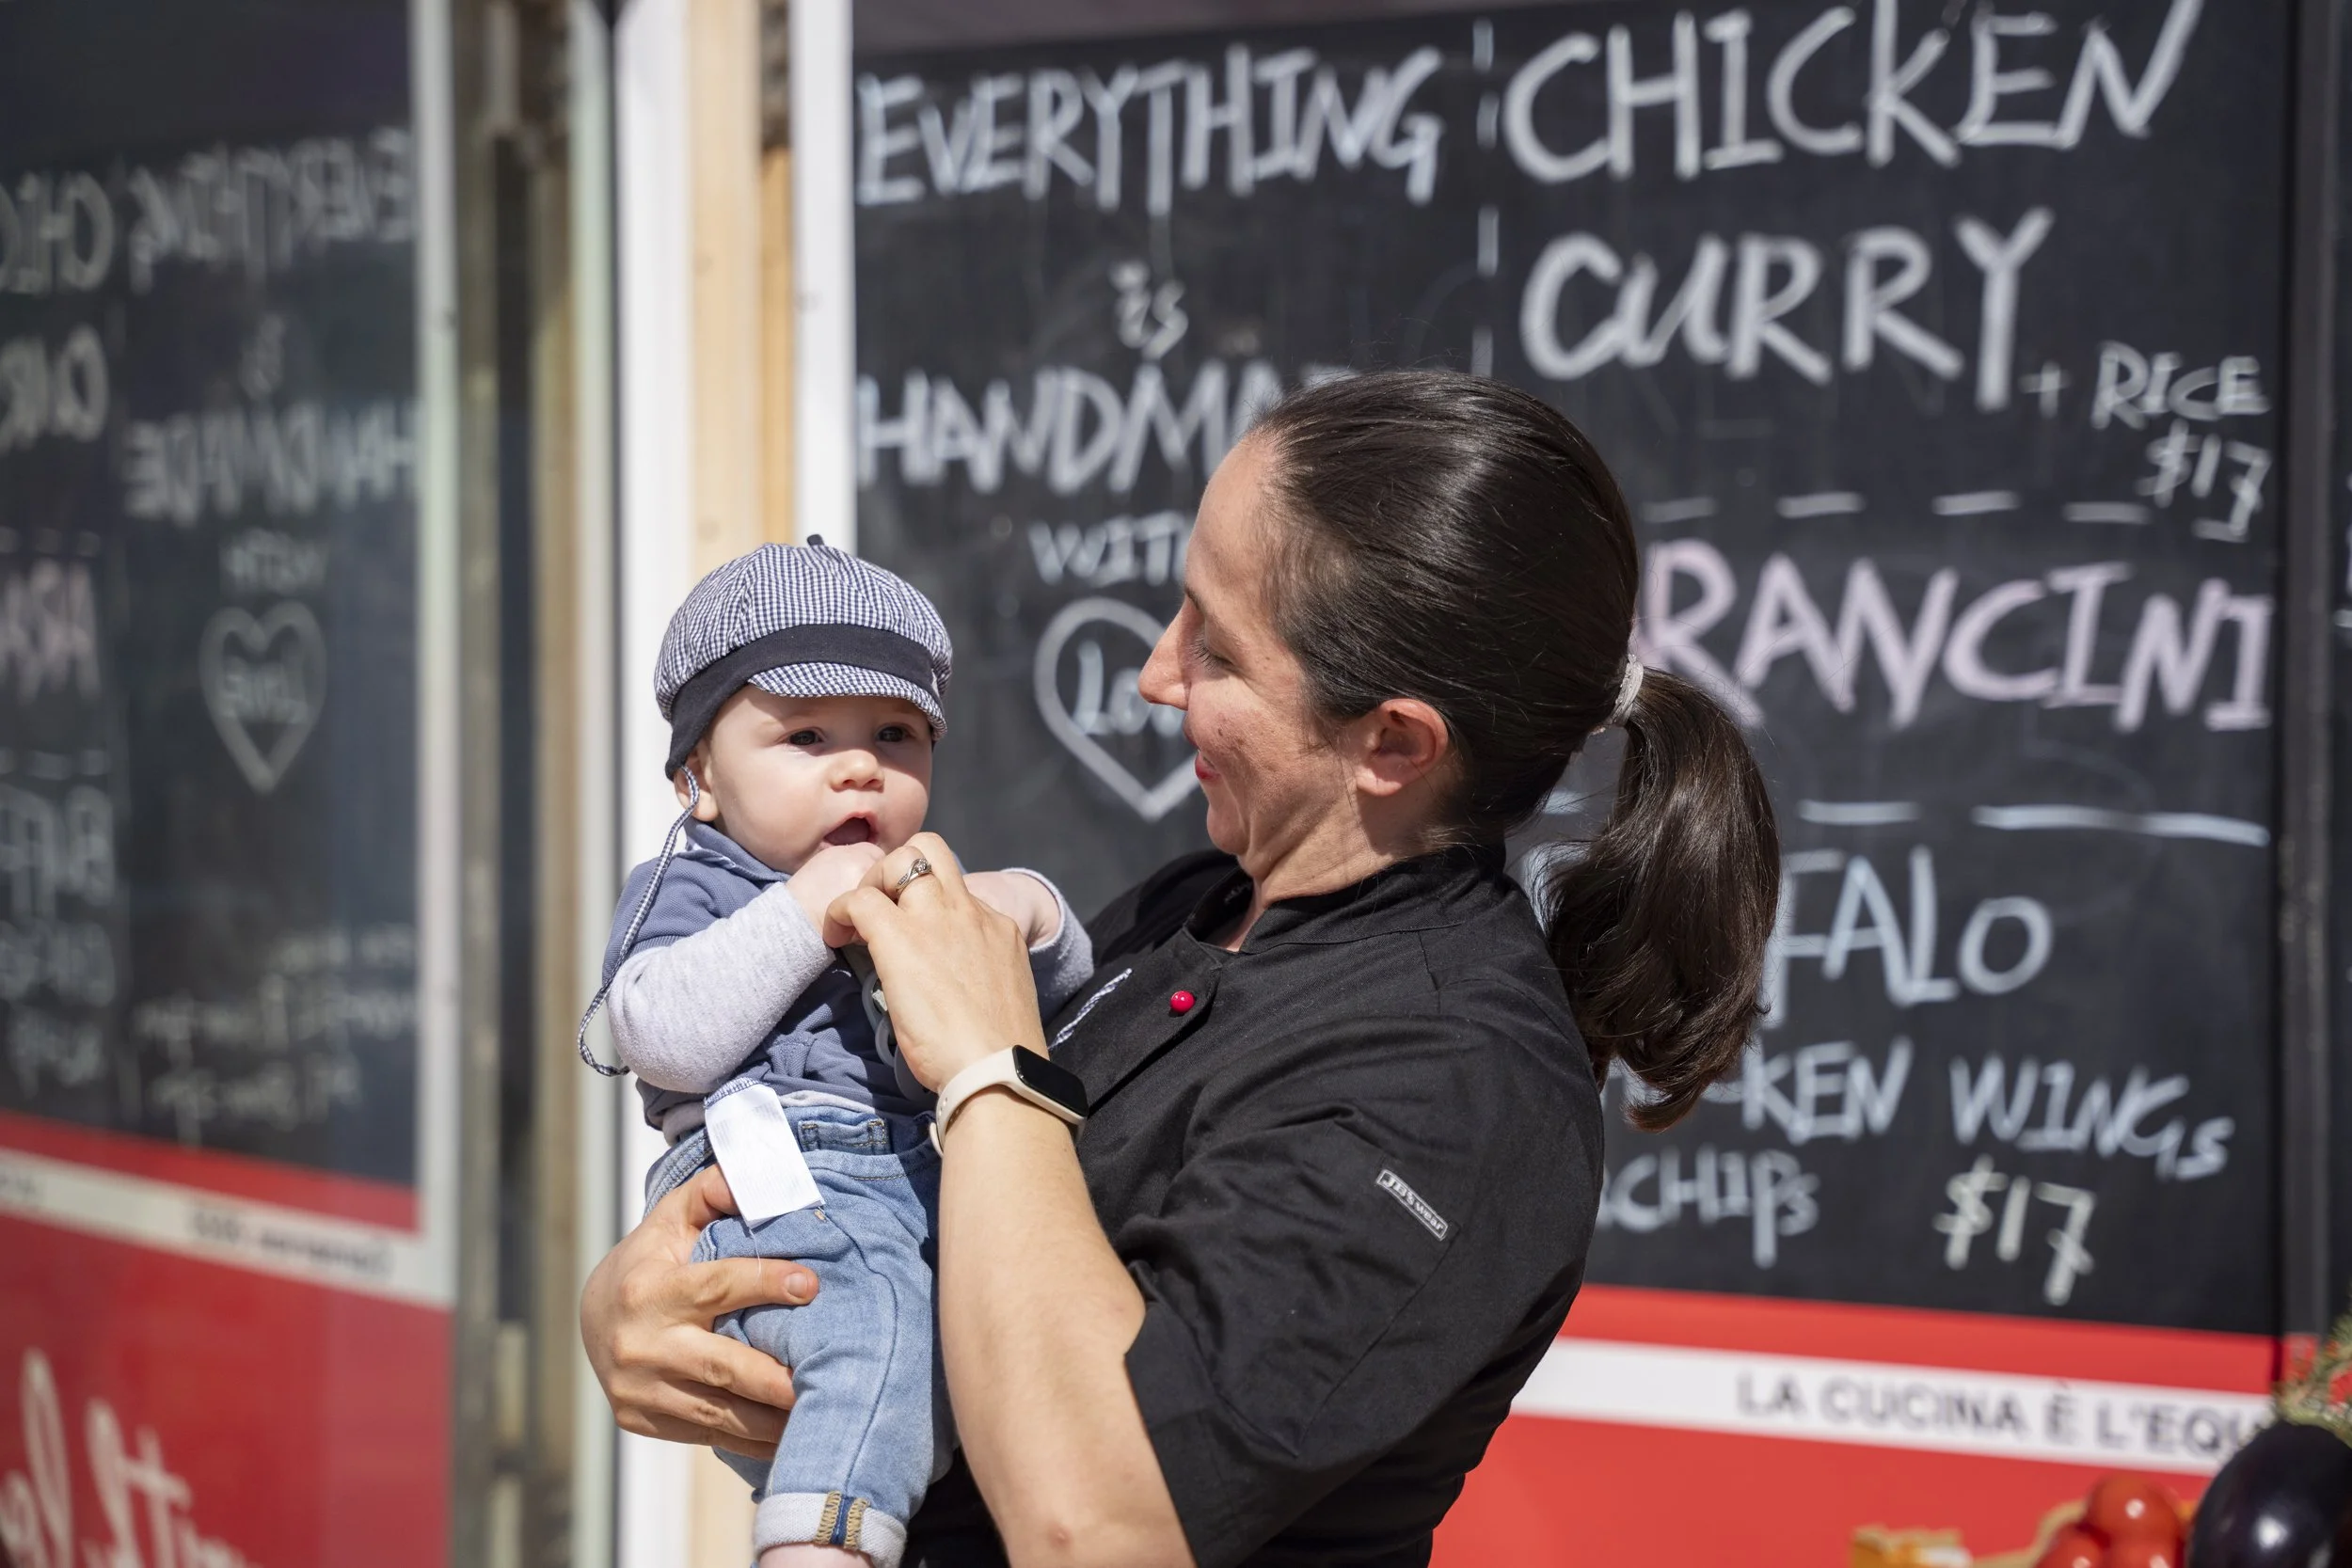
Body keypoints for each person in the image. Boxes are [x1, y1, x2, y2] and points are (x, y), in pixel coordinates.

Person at [582, 372, 1782, 1567]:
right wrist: (643, 1311)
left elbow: (1094, 1519)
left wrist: (990, 1069)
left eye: (1214, 645)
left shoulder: (1451, 1077)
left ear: (1393, 743)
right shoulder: (1193, 908)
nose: (1157, 673)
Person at [582, 540, 1097, 1568]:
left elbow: (1064, 993)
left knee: (954, 1371)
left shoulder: (920, 884)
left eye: (896, 733)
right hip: (775, 1177)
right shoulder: (691, 884)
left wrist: (1031, 908)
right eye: (806, 734)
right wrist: (802, 911)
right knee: (878, 1331)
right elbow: (659, 1034)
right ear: (699, 778)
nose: (859, 764)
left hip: (906, 1184)